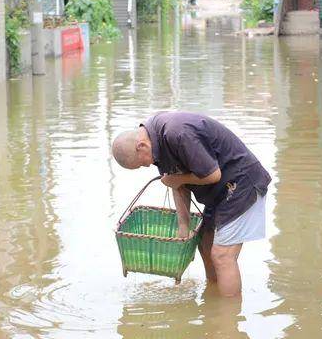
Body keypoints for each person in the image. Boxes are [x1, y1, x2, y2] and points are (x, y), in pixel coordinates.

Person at [111, 111, 271, 297]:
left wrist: (176, 180)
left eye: (141, 164)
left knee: (222, 255)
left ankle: (228, 319)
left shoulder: (178, 133)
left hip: (242, 184)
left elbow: (212, 175)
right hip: (219, 192)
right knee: (204, 244)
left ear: (141, 146)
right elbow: (177, 181)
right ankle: (212, 301)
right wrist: (183, 224)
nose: (147, 166)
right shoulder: (154, 141)